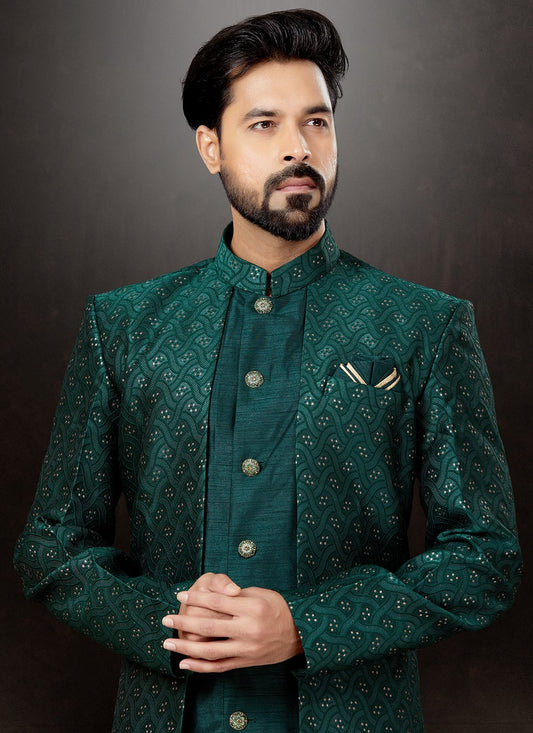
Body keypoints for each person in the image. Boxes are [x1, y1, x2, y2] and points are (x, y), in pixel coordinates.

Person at [14, 9, 522, 733]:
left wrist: (308, 626)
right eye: (264, 124)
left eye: (317, 122)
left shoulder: (424, 325)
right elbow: (50, 544)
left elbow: (484, 557)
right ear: (210, 146)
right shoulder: (124, 325)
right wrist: (170, 622)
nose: (298, 147)